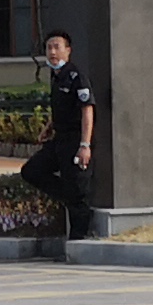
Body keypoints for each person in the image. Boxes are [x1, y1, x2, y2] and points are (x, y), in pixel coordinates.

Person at [21, 27, 97, 236]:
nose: (52, 52)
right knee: (31, 171)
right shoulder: (57, 77)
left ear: (68, 50)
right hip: (59, 140)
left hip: (76, 141)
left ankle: (78, 240)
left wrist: (85, 145)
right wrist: (48, 127)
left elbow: (87, 110)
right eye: (49, 48)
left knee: (77, 192)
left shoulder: (76, 77)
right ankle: (67, 195)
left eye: (57, 47)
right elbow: (61, 108)